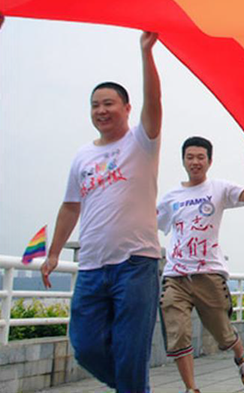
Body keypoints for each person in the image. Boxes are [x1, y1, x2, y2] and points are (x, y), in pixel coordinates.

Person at [40, 31, 162, 393]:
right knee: (86, 347)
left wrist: (146, 53)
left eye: (109, 103)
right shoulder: (83, 155)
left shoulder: (142, 142)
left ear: (127, 108)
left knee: (130, 352)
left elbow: (155, 101)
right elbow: (70, 206)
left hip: (136, 265)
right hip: (92, 267)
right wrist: (53, 253)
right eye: (95, 105)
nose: (101, 111)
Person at [156, 136, 244, 391]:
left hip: (208, 274)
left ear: (209, 161)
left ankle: (241, 355)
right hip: (175, 275)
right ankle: (191, 388)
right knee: (178, 334)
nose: (195, 162)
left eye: (200, 157)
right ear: (183, 160)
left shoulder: (218, 188)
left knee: (222, 333)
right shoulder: (171, 197)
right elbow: (151, 224)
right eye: (190, 157)